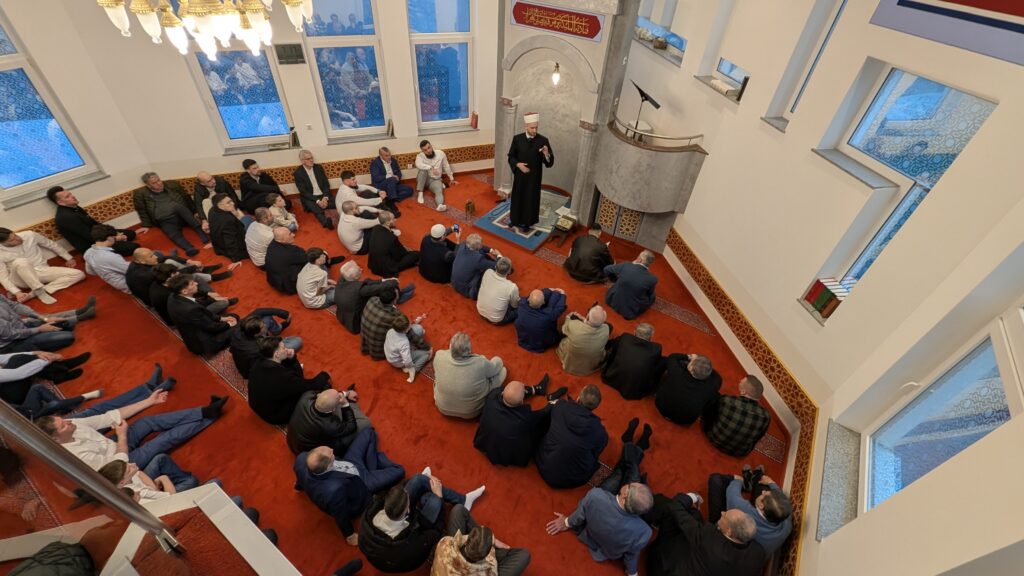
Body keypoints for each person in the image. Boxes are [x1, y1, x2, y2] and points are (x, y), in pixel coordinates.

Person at [545, 420, 654, 576]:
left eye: (631, 485)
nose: (631, 484)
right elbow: (632, 555)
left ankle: (630, 444)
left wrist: (567, 522)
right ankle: (637, 446)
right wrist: (632, 573)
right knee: (632, 471)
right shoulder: (644, 532)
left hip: (596, 521)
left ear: (624, 495)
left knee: (621, 471)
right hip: (606, 546)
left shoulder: (596, 496)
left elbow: (580, 513)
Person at [35, 392, 228, 470]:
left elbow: (111, 416)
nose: (69, 423)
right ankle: (209, 418)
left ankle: (203, 412)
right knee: (161, 441)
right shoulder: (75, 457)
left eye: (63, 420)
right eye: (63, 426)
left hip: (115, 443)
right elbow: (116, 466)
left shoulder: (73, 424)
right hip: (123, 463)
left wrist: (149, 401)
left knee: (147, 422)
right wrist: (121, 437)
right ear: (56, 439)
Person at [293, 428, 406, 543]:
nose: (332, 449)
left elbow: (300, 476)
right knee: (399, 471)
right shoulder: (333, 491)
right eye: (331, 454)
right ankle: (374, 463)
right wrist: (349, 535)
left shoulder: (302, 458)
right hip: (362, 484)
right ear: (328, 466)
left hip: (351, 463)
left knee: (369, 432)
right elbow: (340, 515)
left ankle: (372, 465)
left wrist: (299, 486)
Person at [361, 470, 485, 573]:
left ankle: (463, 500)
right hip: (409, 550)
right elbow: (437, 530)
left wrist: (426, 480)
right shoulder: (410, 543)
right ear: (408, 509)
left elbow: (401, 490)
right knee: (434, 501)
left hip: (395, 534)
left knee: (418, 479)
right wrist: (440, 497)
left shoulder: (372, 511)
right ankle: (434, 495)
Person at [645, 491, 765, 576]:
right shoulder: (758, 554)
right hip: (704, 565)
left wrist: (693, 496)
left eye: (725, 516)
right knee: (694, 513)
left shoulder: (708, 538)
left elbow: (676, 505)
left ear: (729, 531)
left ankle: (642, 505)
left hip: (665, 569)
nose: (722, 512)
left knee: (670, 511)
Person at [472, 378, 561, 467]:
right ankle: (549, 398)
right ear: (522, 402)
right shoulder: (524, 419)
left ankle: (537, 389)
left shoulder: (492, 397)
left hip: (488, 439)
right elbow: (540, 415)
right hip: (506, 449)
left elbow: (510, 395)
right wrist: (551, 404)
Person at [535, 384, 608, 489]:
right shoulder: (600, 432)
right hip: (572, 479)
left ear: (579, 398)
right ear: (596, 407)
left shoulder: (560, 406)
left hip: (544, 463)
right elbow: (596, 453)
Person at [706, 469, 793, 556]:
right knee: (766, 486)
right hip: (750, 554)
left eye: (764, 494)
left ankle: (748, 480)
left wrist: (739, 480)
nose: (763, 492)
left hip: (724, 537)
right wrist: (771, 483)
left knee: (715, 479)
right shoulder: (786, 525)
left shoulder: (742, 509)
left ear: (761, 506)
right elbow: (781, 504)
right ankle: (756, 476)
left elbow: (731, 493)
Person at [248, 336, 331, 425]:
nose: (287, 349)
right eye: (284, 348)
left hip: (256, 404)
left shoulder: (259, 361)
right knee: (314, 391)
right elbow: (308, 384)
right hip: (275, 415)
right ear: (276, 354)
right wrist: (325, 375)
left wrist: (290, 359)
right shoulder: (283, 377)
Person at [431, 505, 531, 576]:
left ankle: (481, 539)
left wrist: (483, 540)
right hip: (479, 568)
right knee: (524, 555)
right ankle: (483, 541)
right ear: (486, 556)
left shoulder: (445, 543)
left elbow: (458, 538)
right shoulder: (487, 571)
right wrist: (491, 544)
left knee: (458, 510)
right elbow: (491, 564)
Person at [132, 172, 210, 256]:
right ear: (148, 185)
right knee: (171, 232)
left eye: (159, 180)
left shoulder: (172, 185)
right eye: (154, 183)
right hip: (164, 219)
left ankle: (200, 232)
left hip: (181, 213)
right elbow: (142, 210)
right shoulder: (141, 194)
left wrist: (194, 211)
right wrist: (146, 225)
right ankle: (189, 248)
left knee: (178, 206)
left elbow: (186, 197)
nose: (159, 183)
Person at [433, 332, 507, 420]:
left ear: (450, 346)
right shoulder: (480, 362)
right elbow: (498, 365)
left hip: (443, 408)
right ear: (469, 351)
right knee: (503, 371)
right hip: (471, 413)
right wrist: (490, 358)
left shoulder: (439, 355)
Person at [48, 186, 138, 257]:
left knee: (131, 233)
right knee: (133, 247)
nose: (73, 196)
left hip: (99, 236)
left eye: (70, 194)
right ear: (60, 202)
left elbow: (95, 224)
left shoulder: (74, 207)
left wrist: (114, 233)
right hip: (92, 246)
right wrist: (115, 238)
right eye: (67, 197)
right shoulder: (66, 217)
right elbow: (89, 237)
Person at [0, 228, 84, 304]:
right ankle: (39, 291)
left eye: (15, 235)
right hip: (21, 279)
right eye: (12, 240)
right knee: (21, 261)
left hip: (41, 270)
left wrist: (68, 258)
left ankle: (36, 293)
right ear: (2, 243)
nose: (18, 239)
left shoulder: (29, 235)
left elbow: (50, 244)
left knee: (78, 274)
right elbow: (3, 277)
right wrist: (17, 292)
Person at [166, 274, 238, 356]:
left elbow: (205, 312)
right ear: (185, 291)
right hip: (205, 343)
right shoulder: (190, 309)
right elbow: (211, 327)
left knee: (233, 316)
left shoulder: (174, 296)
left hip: (198, 329)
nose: (196, 283)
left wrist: (221, 318)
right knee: (239, 325)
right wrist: (229, 324)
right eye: (192, 284)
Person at [507, 113, 554, 232]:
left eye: (536, 127)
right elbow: (511, 156)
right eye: (532, 128)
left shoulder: (543, 140)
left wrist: (547, 154)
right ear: (526, 126)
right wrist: (518, 165)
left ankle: (528, 222)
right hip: (520, 176)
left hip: (534, 178)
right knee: (517, 198)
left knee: (530, 200)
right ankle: (514, 220)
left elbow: (549, 163)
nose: (535, 130)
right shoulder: (517, 139)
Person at [703, 376, 772, 458]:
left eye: (741, 382)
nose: (739, 381)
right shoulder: (766, 416)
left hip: (714, 439)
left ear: (743, 392)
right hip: (740, 452)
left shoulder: (727, 400)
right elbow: (758, 437)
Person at [0, 294, 95, 353]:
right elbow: (11, 334)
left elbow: (15, 306)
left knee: (47, 318)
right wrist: (39, 329)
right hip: (13, 342)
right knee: (69, 337)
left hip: (22, 325)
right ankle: (35, 349)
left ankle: (79, 314)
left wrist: (43, 318)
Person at [286, 387, 367, 455]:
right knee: (365, 424)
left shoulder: (307, 395)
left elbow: (327, 395)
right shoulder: (329, 425)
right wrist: (345, 404)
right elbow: (351, 426)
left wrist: (346, 393)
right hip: (309, 453)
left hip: (292, 442)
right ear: (333, 409)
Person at [335, 261, 408, 334]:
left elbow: (366, 283)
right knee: (380, 291)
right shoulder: (361, 290)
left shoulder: (343, 278)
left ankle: (398, 294)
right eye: (359, 269)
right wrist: (393, 282)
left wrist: (383, 280)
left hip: (343, 316)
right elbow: (376, 288)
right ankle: (396, 298)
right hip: (355, 322)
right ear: (355, 277)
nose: (361, 269)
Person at [149, 263, 232, 324]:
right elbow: (191, 304)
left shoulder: (165, 281)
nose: (178, 273)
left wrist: (207, 293)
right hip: (187, 315)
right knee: (223, 303)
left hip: (189, 301)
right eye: (175, 273)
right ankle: (217, 301)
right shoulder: (167, 294)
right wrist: (209, 298)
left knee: (194, 276)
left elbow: (183, 275)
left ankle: (214, 291)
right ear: (168, 279)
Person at [227, 309, 301, 376]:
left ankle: (277, 330)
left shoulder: (240, 328)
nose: (265, 325)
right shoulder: (259, 348)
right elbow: (273, 358)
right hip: (250, 369)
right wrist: (281, 345)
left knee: (267, 317)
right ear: (256, 334)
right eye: (263, 326)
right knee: (297, 341)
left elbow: (259, 311)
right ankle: (279, 335)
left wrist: (283, 313)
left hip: (247, 352)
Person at [602, 323, 665, 400]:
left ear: (634, 332)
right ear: (651, 336)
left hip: (612, 377)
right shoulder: (656, 348)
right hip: (633, 389)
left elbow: (612, 346)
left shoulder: (625, 337)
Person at [655, 354, 722, 425]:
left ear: (690, 368)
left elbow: (672, 357)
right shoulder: (712, 385)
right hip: (685, 420)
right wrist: (705, 368)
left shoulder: (676, 371)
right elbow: (717, 376)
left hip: (661, 406)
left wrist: (689, 357)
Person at [361, 289, 424, 360]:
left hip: (367, 345)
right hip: (381, 350)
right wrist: (427, 348)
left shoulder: (371, 300)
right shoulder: (395, 315)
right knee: (419, 329)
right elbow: (410, 334)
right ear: (394, 301)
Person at [556, 305, 611, 376]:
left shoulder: (574, 325)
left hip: (570, 364)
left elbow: (563, 329)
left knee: (564, 337)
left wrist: (568, 317)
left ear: (587, 316)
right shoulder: (606, 329)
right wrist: (584, 319)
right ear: (603, 321)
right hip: (590, 366)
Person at [604, 250, 658, 320]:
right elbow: (649, 294)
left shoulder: (626, 265)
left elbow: (606, 269)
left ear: (640, 260)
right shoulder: (652, 279)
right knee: (653, 296)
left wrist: (615, 280)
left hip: (611, 300)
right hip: (630, 312)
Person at [293, 149, 336, 229]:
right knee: (314, 206)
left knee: (338, 202)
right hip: (311, 197)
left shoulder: (318, 168)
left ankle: (323, 205)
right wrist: (318, 201)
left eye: (311, 158)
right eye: (308, 159)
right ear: (302, 161)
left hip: (323, 194)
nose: (311, 160)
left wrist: (325, 197)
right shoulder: (298, 173)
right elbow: (303, 192)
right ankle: (326, 222)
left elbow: (326, 184)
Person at [367, 211, 419, 278]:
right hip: (386, 268)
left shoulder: (376, 228)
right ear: (388, 222)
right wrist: (406, 251)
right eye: (393, 218)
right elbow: (400, 256)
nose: (395, 220)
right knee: (416, 254)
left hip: (373, 264)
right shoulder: (391, 238)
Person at [514, 288, 566, 353]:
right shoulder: (548, 315)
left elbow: (530, 297)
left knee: (544, 292)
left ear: (528, 299)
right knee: (554, 296)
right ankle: (554, 294)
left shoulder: (521, 304)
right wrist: (562, 294)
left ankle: (550, 293)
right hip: (540, 345)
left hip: (523, 340)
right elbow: (560, 308)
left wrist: (549, 290)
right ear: (543, 302)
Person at [83, 225, 131, 294]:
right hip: (128, 284)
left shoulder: (88, 252)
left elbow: (90, 272)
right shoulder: (110, 256)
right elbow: (130, 270)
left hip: (115, 283)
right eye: (114, 237)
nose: (115, 239)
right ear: (109, 238)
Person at [385, 314, 432, 383]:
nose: (410, 324)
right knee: (426, 354)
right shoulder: (404, 342)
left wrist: (416, 321)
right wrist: (411, 373)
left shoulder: (390, 331)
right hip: (398, 362)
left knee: (416, 331)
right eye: (409, 324)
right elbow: (407, 360)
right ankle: (414, 369)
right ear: (406, 330)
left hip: (391, 356)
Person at [450, 234, 500, 300]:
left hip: (454, 283)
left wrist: (490, 250)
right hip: (466, 290)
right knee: (488, 271)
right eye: (481, 244)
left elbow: (479, 247)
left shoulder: (462, 245)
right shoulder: (478, 259)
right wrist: (499, 256)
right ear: (479, 246)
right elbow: (496, 266)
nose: (482, 245)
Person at [207, 193, 250, 268]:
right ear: (220, 205)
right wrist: (235, 259)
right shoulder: (228, 220)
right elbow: (230, 241)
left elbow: (214, 229)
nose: (233, 203)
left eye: (231, 201)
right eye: (228, 202)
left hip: (219, 247)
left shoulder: (212, 210)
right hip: (238, 248)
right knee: (248, 219)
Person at [414, 140, 457, 212]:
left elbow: (446, 166)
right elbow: (418, 164)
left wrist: (451, 178)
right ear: (422, 151)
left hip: (435, 180)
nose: (428, 151)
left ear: (431, 146)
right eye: (425, 150)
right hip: (424, 179)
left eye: (429, 147)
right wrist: (430, 168)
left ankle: (440, 205)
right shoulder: (420, 156)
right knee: (423, 171)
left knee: (439, 191)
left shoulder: (440, 153)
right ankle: (420, 193)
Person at [476, 257, 519, 325]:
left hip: (480, 311)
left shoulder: (487, 272)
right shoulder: (512, 287)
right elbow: (514, 305)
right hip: (496, 320)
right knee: (522, 307)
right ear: (509, 271)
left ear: (495, 266)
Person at [264, 227, 307, 294]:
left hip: (275, 281)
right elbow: (306, 257)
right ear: (282, 240)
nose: (293, 235)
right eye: (290, 234)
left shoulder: (272, 245)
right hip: (290, 286)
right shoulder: (290, 253)